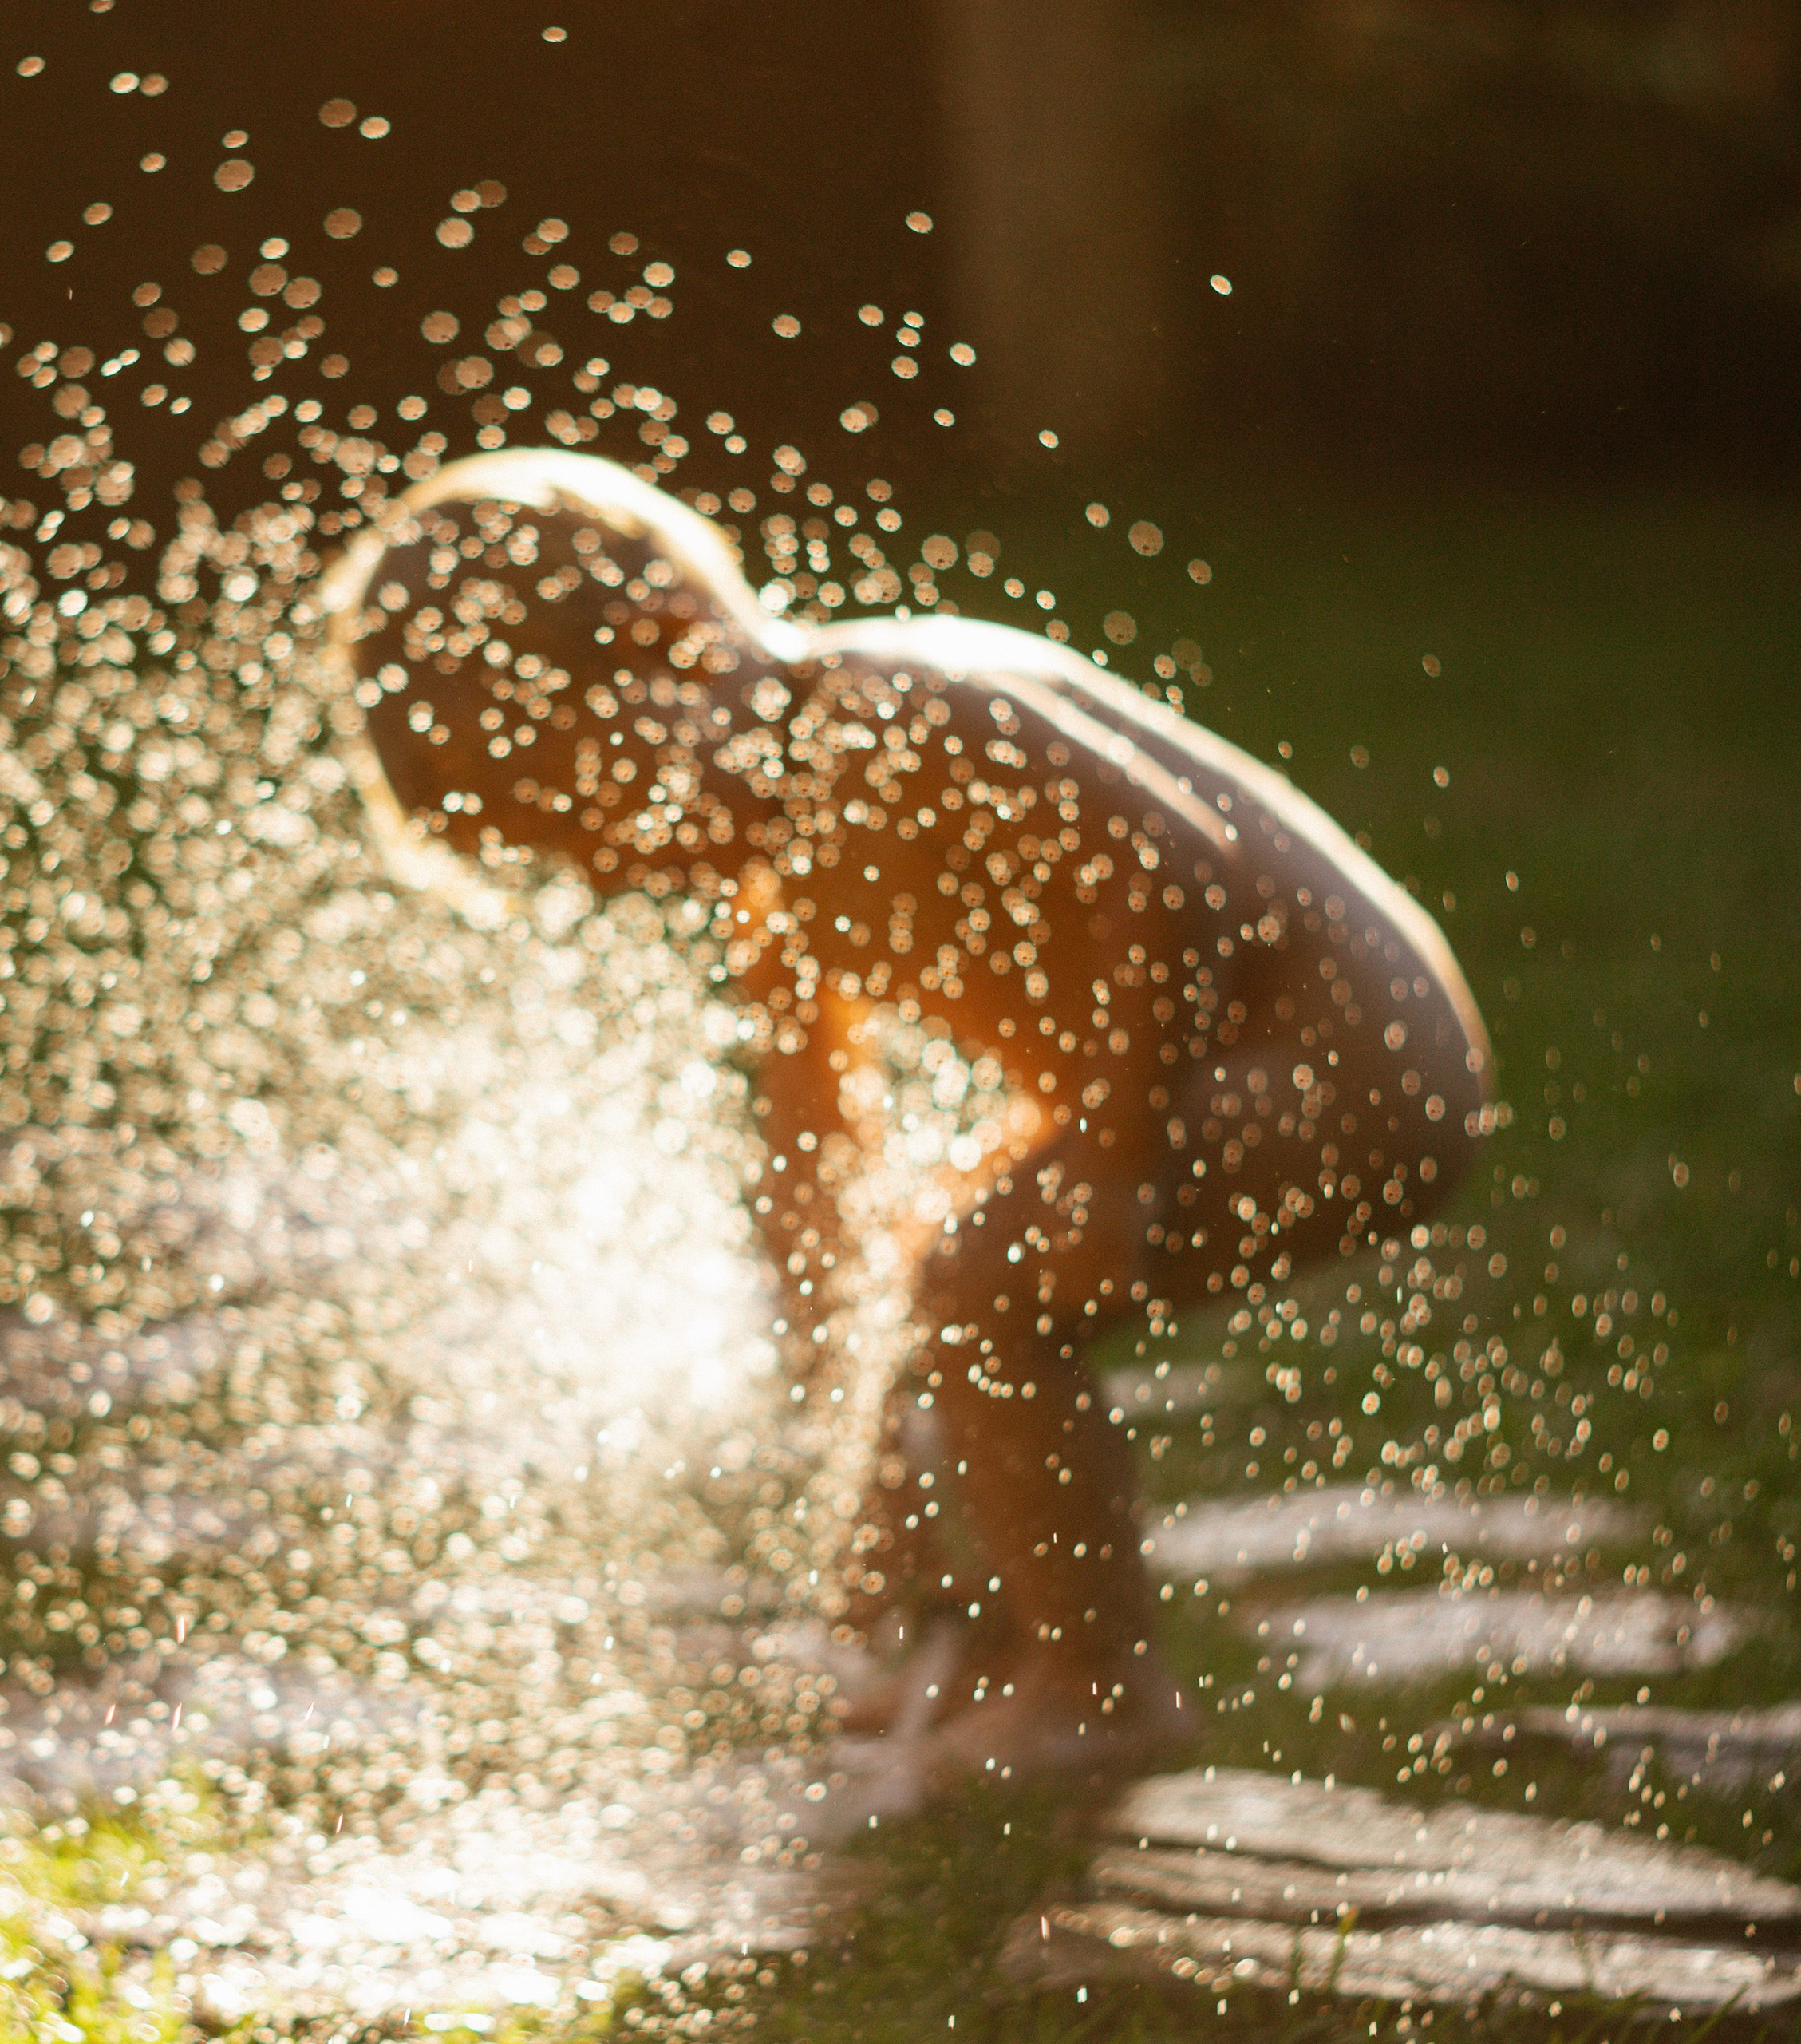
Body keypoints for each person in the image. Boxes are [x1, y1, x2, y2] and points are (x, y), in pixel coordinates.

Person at [325, 449, 1494, 1777]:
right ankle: (998, 1648)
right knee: (938, 1273)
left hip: (1350, 1061)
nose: (604, 873)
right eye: (557, 857)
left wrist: (1112, 1167)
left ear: (672, 647)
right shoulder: (781, 867)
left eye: (584, 816)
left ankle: (1106, 1697)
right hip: (1214, 1071)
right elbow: (818, 1158)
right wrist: (859, 1444)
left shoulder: (892, 711)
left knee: (981, 1275)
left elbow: (1170, 874)